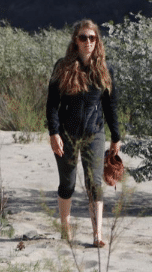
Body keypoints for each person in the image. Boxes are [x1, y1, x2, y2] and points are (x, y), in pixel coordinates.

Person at [46, 19, 121, 247]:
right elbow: (52, 104)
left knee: (94, 183)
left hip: (94, 133)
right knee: (67, 183)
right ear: (75, 41)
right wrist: (54, 133)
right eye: (83, 37)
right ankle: (65, 231)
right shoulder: (62, 67)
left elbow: (110, 106)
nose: (87, 41)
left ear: (97, 41)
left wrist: (116, 136)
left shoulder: (105, 69)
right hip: (66, 134)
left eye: (92, 37)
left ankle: (97, 234)